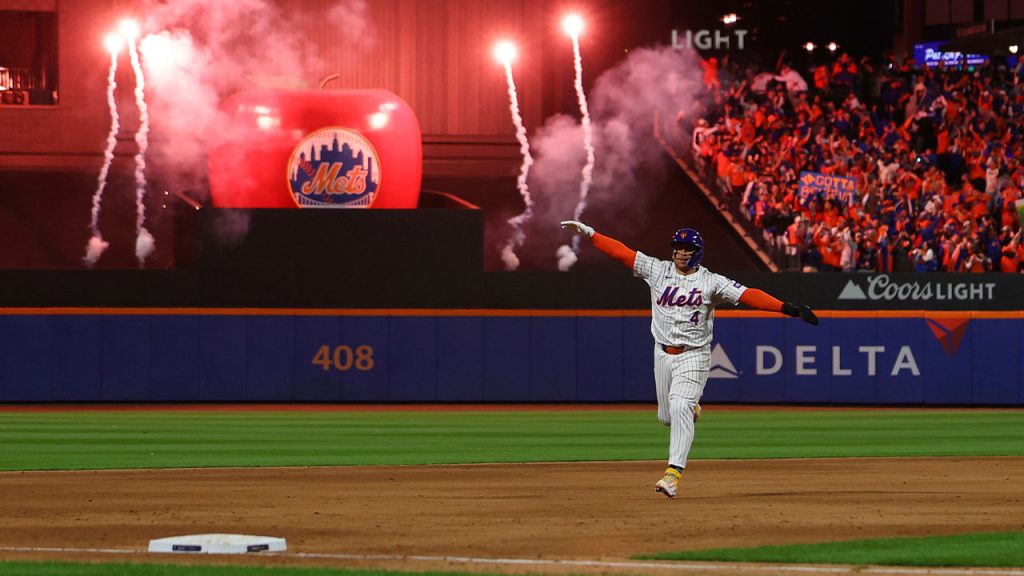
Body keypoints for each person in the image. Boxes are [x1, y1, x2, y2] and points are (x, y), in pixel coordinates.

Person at [560, 220, 820, 498]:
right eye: (678, 247)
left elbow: (748, 295)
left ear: (697, 252)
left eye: (687, 248)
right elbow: (622, 253)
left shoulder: (711, 281)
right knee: (667, 417)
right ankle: (691, 410)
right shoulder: (658, 270)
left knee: (680, 404)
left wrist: (787, 308)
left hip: (694, 355)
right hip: (662, 353)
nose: (681, 253)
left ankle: (673, 474)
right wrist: (591, 234)